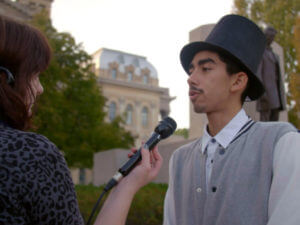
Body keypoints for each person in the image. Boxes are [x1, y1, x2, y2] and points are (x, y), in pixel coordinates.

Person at [0, 15, 162, 225]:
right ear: (6, 79)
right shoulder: (30, 154)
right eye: (34, 76)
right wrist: (128, 186)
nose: (40, 89)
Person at [163, 15, 300, 225]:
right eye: (191, 70)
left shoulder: (281, 143)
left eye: (205, 68)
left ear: (237, 81)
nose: (191, 78)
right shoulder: (180, 160)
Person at [256, 26, 286, 121]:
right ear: (266, 37)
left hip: (275, 97)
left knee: (275, 125)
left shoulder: (273, 54)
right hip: (265, 96)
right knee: (265, 127)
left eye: (273, 37)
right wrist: (262, 93)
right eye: (271, 36)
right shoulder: (261, 53)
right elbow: (258, 75)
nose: (272, 39)